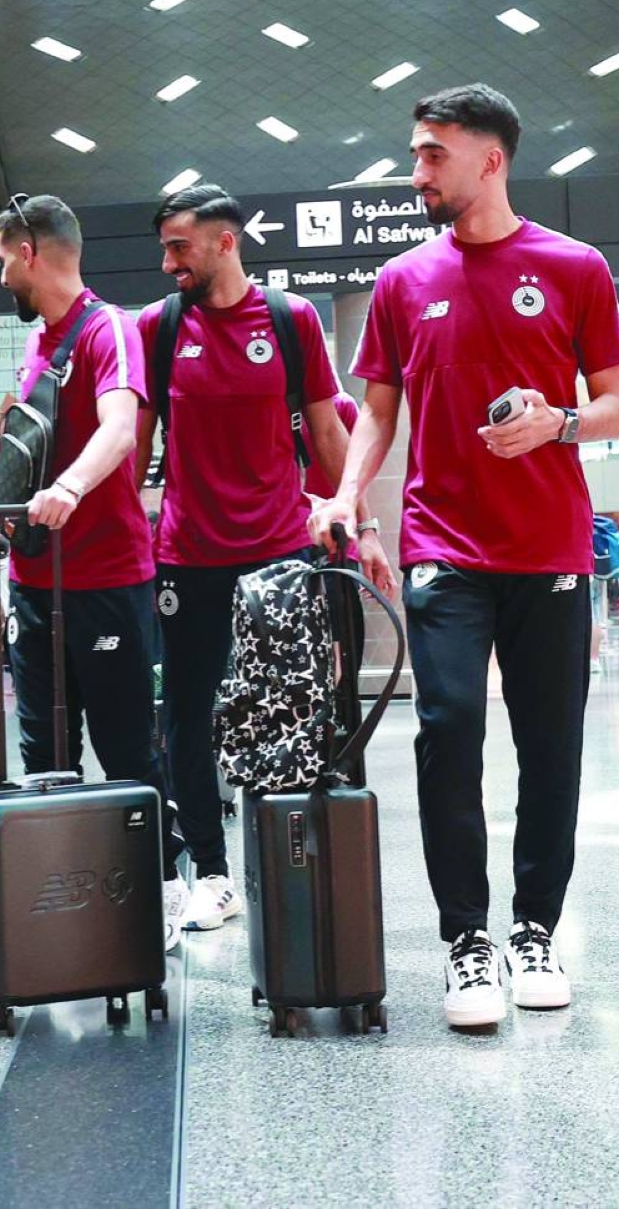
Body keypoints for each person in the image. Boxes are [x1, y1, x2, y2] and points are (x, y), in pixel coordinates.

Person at [311, 84, 619, 1029]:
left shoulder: (575, 266)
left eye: (431, 154)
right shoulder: (404, 283)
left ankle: (535, 930)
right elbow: (375, 413)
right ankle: (466, 942)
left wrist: (558, 424)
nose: (417, 172)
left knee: (552, 748)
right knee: (448, 732)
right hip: (443, 548)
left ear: (490, 159)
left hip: (549, 549)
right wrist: (344, 497)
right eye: (416, 154)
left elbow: (616, 405)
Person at [0, 193, 188, 949]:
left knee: (129, 751)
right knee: (45, 756)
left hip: (106, 583)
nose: (0, 275)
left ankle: (154, 891)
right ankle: (63, 902)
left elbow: (121, 429)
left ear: (29, 250)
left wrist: (67, 490)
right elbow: (31, 452)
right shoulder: (42, 346)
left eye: (2, 258)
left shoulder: (108, 331)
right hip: (37, 585)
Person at [137, 183, 394, 932]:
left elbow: (326, 430)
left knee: (285, 715)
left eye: (179, 246)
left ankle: (281, 862)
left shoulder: (290, 319)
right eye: (164, 248)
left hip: (280, 555)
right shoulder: (158, 327)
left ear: (224, 241)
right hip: (188, 554)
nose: (167, 262)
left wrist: (364, 523)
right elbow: (139, 437)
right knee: (187, 715)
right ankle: (212, 873)